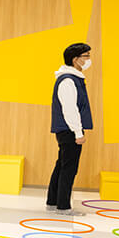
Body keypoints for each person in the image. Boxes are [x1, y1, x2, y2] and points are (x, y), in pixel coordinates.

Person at [47, 43, 93, 217]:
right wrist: (78, 133)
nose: (89, 60)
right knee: (69, 168)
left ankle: (53, 202)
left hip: (67, 129)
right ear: (75, 59)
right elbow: (70, 110)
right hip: (69, 130)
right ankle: (63, 206)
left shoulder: (72, 78)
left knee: (62, 165)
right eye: (86, 56)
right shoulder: (68, 80)